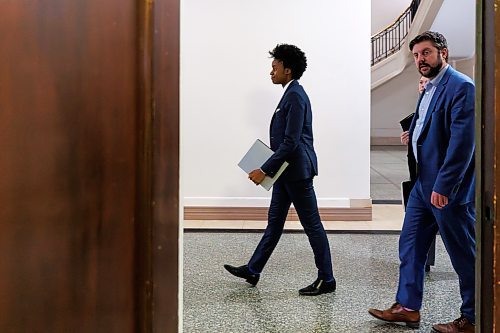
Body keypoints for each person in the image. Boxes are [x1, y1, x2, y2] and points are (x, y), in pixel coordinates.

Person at [368, 31, 476, 333]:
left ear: (443, 52)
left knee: (464, 253)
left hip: (446, 190)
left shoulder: (462, 87)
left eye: (426, 53)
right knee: (411, 245)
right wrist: (413, 134)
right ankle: (407, 307)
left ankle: (474, 316)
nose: (421, 60)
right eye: (416, 55)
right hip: (421, 184)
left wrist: (445, 186)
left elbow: (462, 144)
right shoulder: (428, 88)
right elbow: (428, 126)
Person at [224, 44, 336, 296]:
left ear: (288, 69)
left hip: (297, 172)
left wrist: (264, 169)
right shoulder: (290, 93)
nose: (270, 72)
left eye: (274, 67)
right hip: (286, 172)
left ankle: (327, 279)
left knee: (312, 225)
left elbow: (291, 141)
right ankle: (253, 269)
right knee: (274, 223)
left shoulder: (295, 95)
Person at [401, 75, 437, 273]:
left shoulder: (438, 107)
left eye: (426, 82)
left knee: (456, 233)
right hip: (417, 178)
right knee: (414, 229)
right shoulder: (419, 110)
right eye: (420, 83)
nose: (423, 86)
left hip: (434, 179)